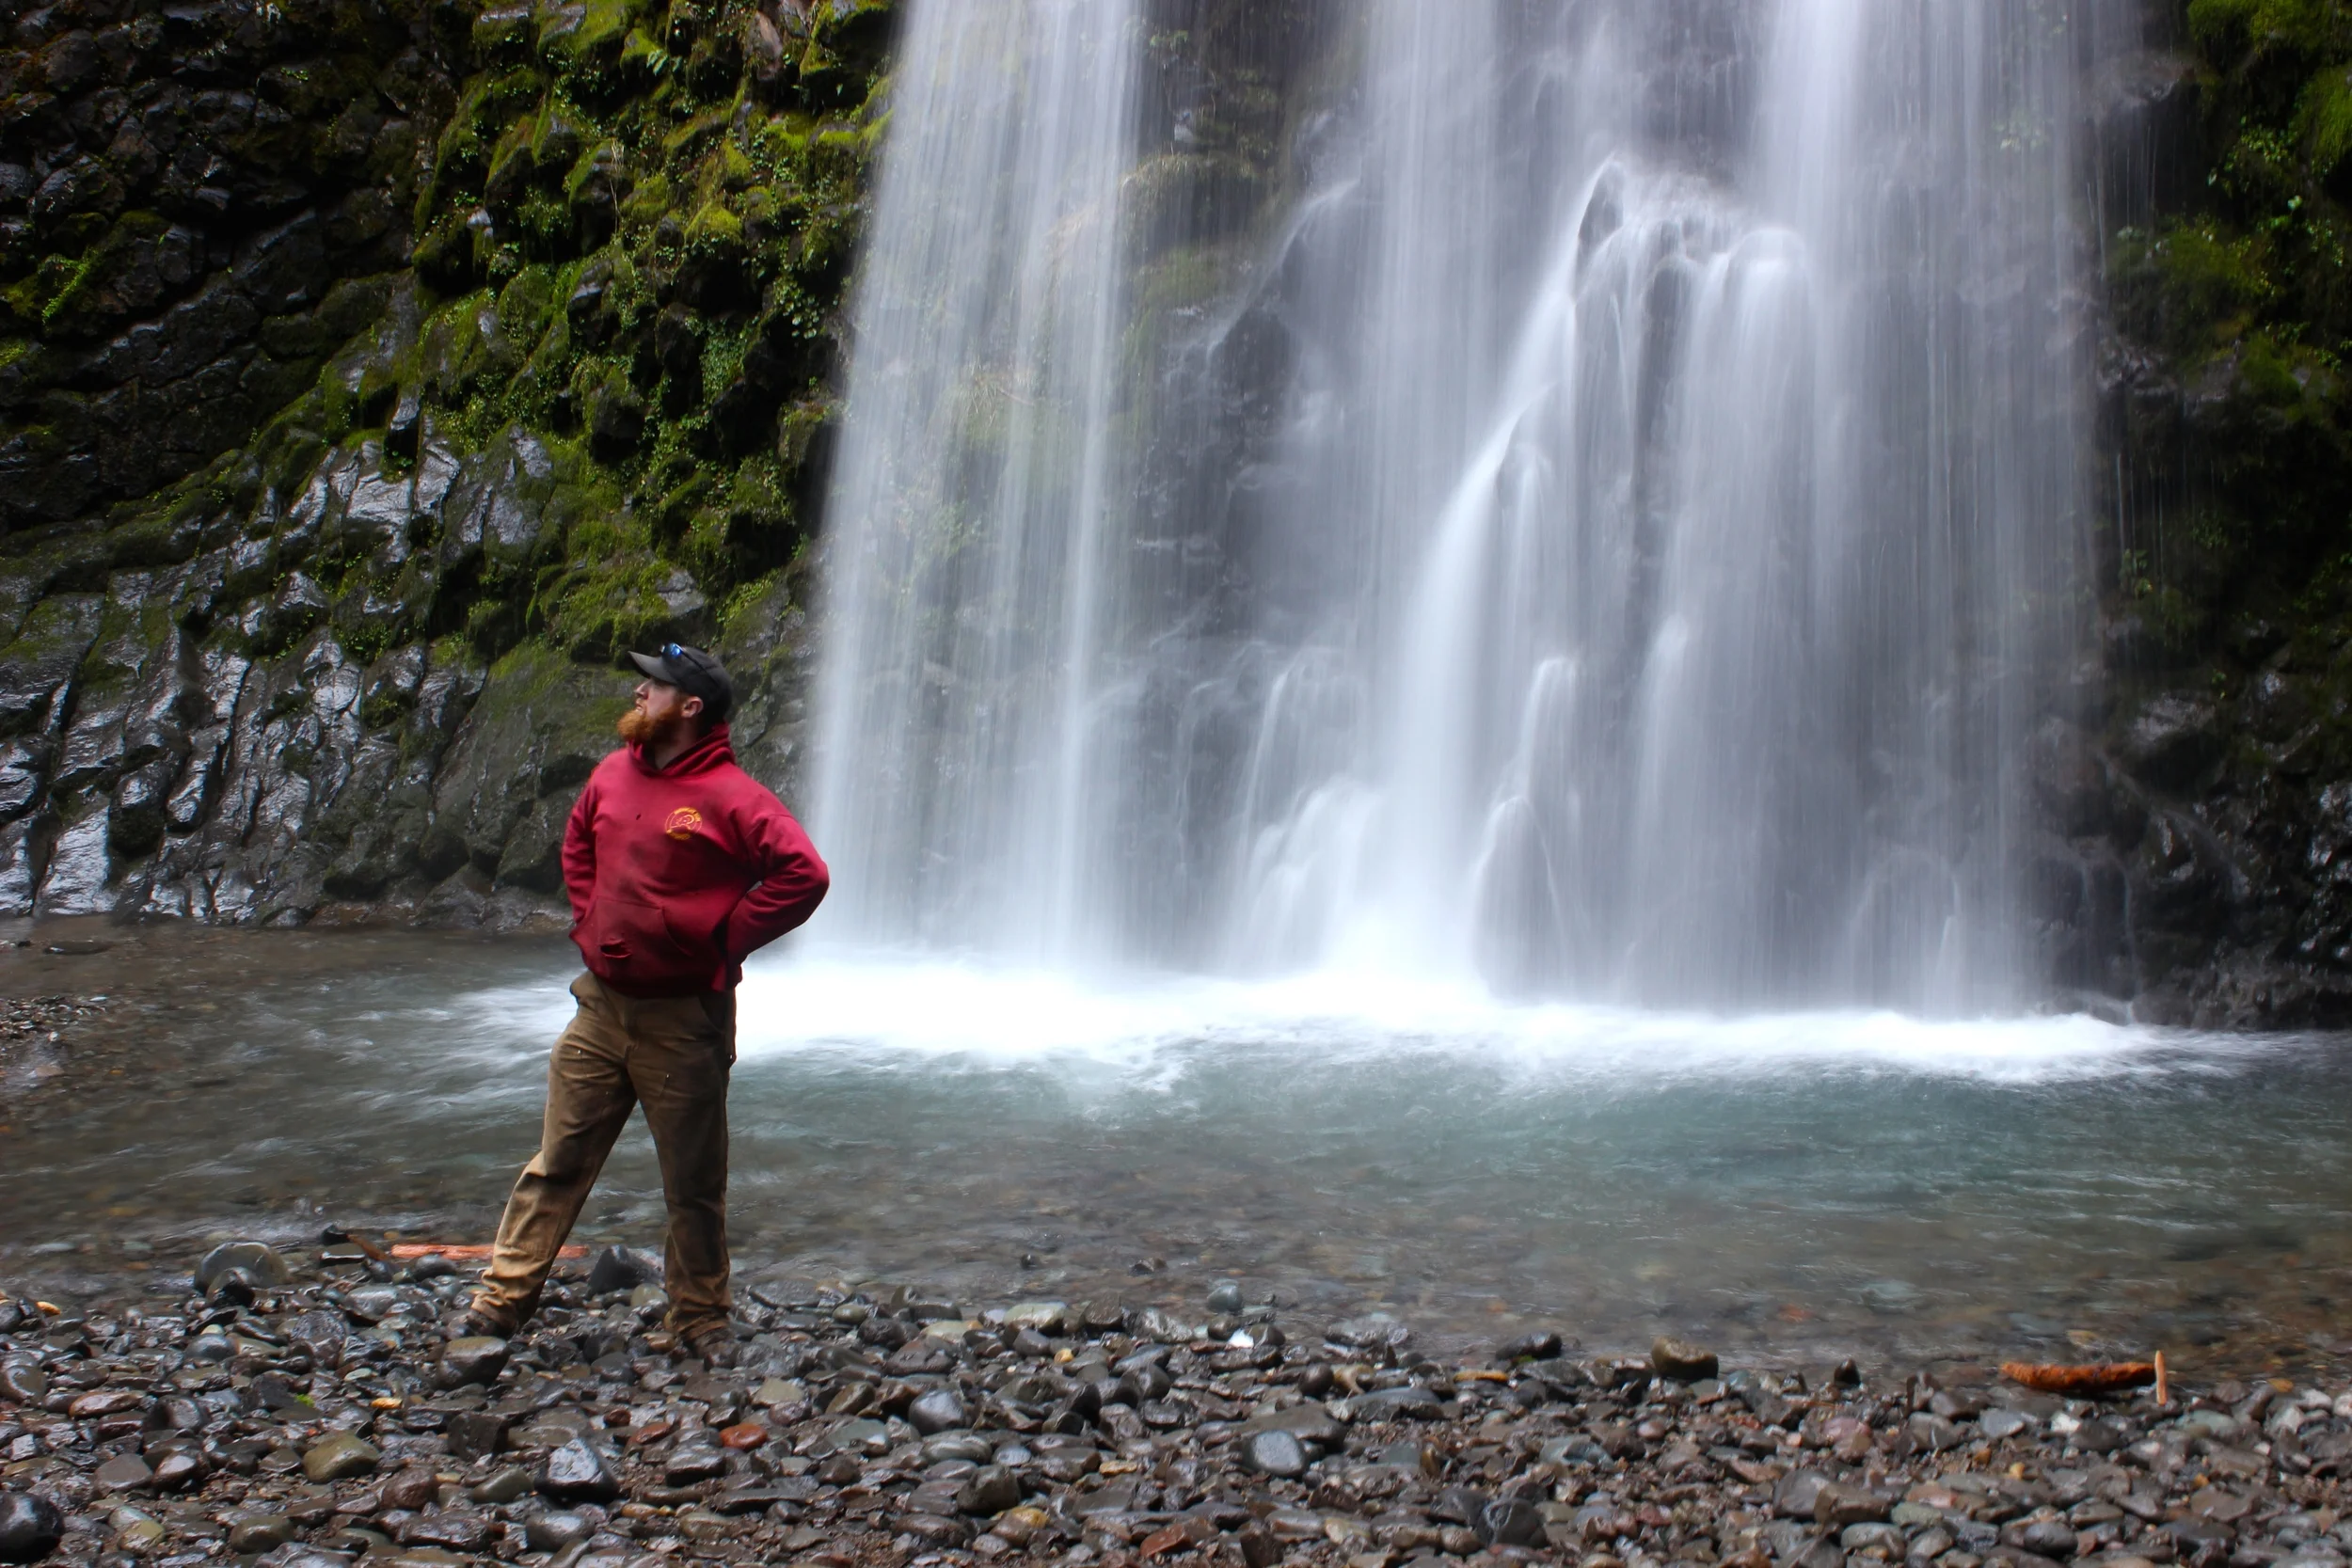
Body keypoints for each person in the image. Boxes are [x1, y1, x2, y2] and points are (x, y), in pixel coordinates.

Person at [461, 642, 829, 1367]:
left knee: (692, 1184)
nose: (639, 692)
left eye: (654, 687)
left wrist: (728, 937)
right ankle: (498, 1305)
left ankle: (700, 1319)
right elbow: (578, 840)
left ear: (690, 707)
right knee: (558, 1160)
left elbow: (804, 875)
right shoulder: (613, 772)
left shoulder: (732, 797)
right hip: (600, 1006)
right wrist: (589, 918)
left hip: (683, 1019)